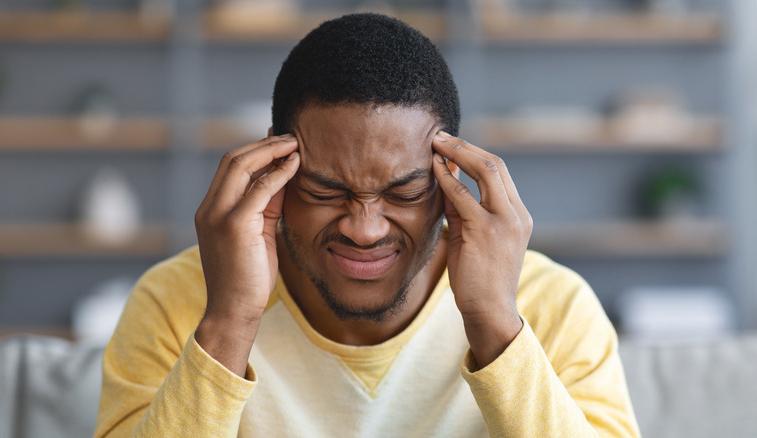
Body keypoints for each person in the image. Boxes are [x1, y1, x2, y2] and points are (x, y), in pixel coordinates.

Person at [95, 13, 640, 437]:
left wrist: (494, 322)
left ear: (450, 175)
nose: (365, 229)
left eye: (403, 193)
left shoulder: (552, 305)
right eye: (325, 190)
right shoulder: (175, 301)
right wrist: (231, 321)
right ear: (273, 169)